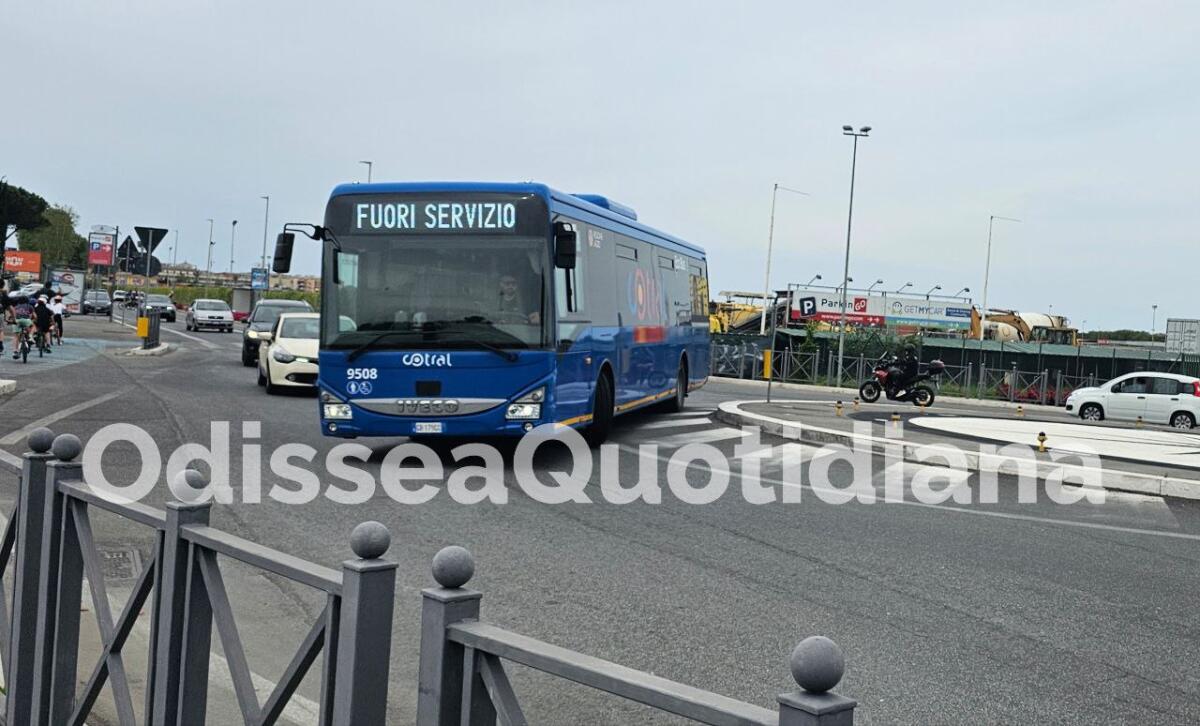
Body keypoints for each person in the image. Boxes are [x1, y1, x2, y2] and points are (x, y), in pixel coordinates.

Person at [10, 294, 34, 359]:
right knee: (32, 326)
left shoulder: (15, 307)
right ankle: (30, 337)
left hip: (17, 321)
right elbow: (30, 316)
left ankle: (15, 351)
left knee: (16, 336)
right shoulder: (30, 306)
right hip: (26, 320)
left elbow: (12, 315)